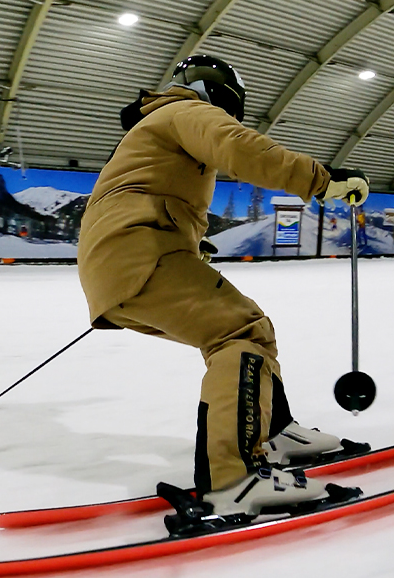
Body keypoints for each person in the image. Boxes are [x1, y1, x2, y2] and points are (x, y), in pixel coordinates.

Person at [77, 55, 369, 519]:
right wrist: (324, 181)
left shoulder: (153, 127)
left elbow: (146, 194)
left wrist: (188, 243)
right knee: (239, 334)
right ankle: (235, 478)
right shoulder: (185, 110)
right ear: (215, 92)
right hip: (139, 254)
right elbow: (241, 148)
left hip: (126, 257)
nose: (230, 114)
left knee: (251, 328)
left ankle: (276, 432)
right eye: (230, 105)